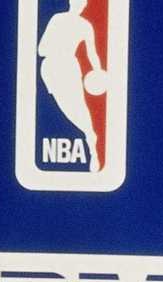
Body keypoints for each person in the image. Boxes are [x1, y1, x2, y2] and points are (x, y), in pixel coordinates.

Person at [38, 0, 104, 172]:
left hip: (67, 67)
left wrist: (98, 71)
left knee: (77, 107)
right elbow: (41, 49)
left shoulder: (85, 25)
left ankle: (91, 139)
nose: (80, 5)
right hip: (50, 68)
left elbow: (92, 53)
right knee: (63, 107)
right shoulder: (57, 19)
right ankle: (89, 134)